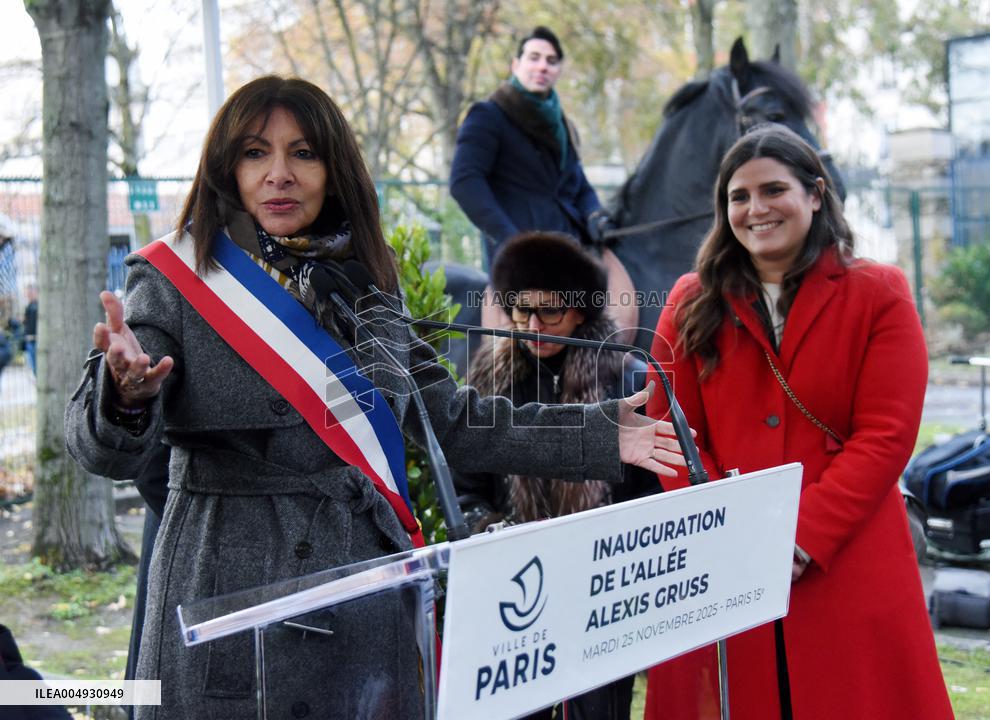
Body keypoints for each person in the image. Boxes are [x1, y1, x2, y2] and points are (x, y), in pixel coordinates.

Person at [63, 75, 684, 720]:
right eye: (254, 152)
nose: (279, 173)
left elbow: (450, 418)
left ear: (335, 169)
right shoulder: (176, 278)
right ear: (227, 168)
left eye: (304, 153)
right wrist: (124, 395)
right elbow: (98, 446)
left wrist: (597, 432)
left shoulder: (366, 279)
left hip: (364, 588)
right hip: (234, 590)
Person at [643, 124, 953, 719]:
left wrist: (802, 537)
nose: (755, 209)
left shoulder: (878, 292)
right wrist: (727, 528)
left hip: (847, 554)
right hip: (723, 558)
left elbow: (886, 435)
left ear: (815, 193)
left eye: (773, 190)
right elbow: (670, 431)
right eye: (738, 196)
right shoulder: (689, 300)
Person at [456, 231, 657, 719]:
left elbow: (652, 491)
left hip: (602, 586)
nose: (532, 326)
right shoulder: (487, 380)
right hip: (515, 586)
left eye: (549, 312)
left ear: (581, 311)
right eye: (520, 310)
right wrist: (491, 530)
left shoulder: (626, 377)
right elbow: (466, 489)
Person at [449, 26, 611, 269]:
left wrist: (596, 216)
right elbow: (464, 183)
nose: (542, 66)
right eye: (534, 58)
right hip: (521, 263)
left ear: (558, 71)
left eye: (551, 61)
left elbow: (579, 187)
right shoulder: (488, 115)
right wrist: (512, 241)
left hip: (574, 250)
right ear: (516, 65)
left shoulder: (565, 127)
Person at [22, 284, 37, 376]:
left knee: (37, 366)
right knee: (33, 367)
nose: (28, 295)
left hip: (35, 339)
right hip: (29, 340)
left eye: (30, 292)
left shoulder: (36, 306)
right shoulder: (28, 306)